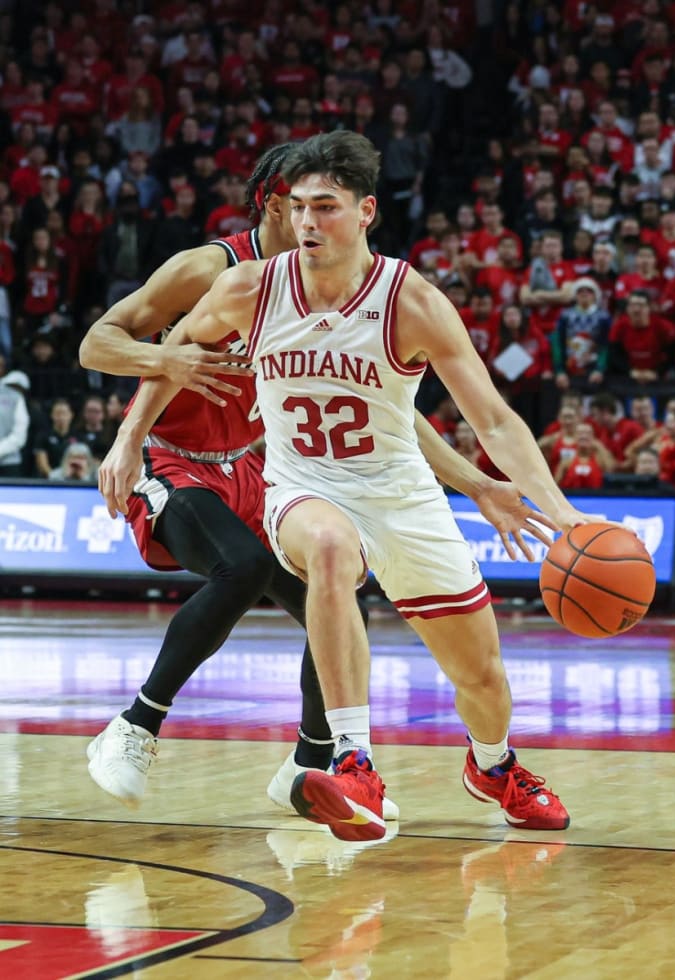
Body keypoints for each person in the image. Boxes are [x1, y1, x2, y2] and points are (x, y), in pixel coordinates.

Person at [98, 132, 592, 843]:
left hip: (401, 494)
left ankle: (494, 765)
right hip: (300, 484)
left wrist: (563, 513)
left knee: (481, 679)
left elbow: (495, 419)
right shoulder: (247, 288)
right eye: (298, 207)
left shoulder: (411, 300)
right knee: (328, 550)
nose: (306, 223)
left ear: (365, 212)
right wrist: (130, 436)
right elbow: (174, 356)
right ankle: (352, 760)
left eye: (324, 207)